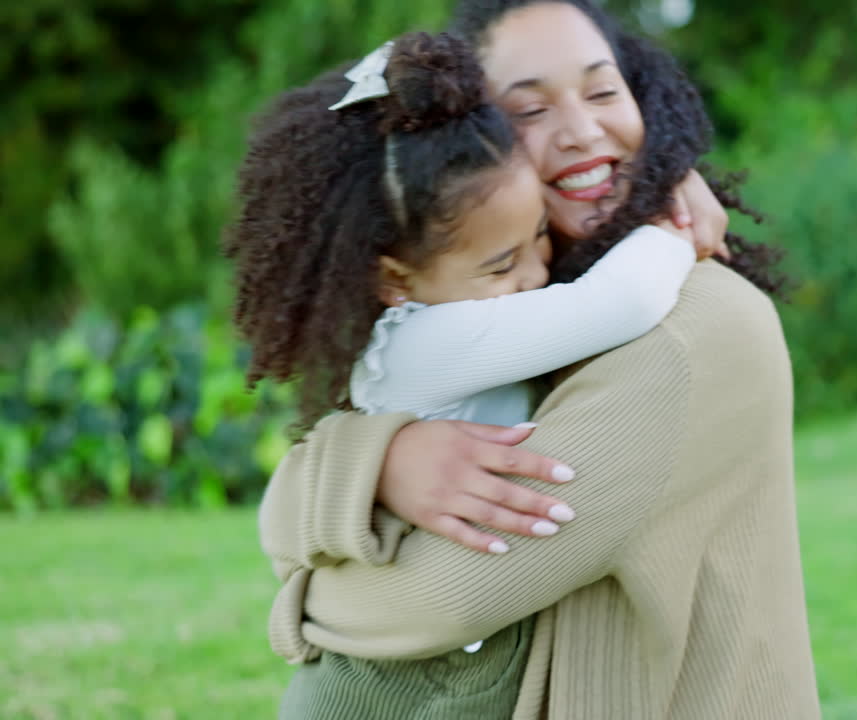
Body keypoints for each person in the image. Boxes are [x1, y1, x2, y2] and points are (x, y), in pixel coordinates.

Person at [256, 1, 821, 718]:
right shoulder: (495, 304)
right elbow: (287, 502)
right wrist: (385, 459)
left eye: (603, 90)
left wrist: (301, 599)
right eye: (528, 110)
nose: (583, 132)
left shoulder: (685, 333)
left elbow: (452, 596)